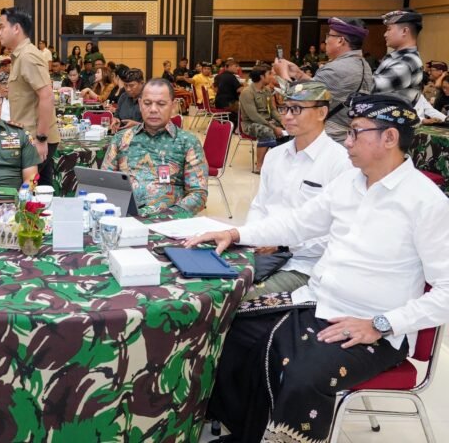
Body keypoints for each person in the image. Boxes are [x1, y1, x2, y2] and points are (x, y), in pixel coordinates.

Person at [183, 94, 449, 443]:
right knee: (229, 328)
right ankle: (245, 429)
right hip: (314, 302)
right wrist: (235, 233)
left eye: (355, 132)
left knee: (301, 376)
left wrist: (382, 324)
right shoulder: (349, 183)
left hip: (372, 326)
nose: (347, 142)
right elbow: (297, 224)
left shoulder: (426, 203)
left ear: (389, 138)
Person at [244, 81, 352, 299]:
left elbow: (339, 232)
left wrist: (283, 244)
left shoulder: (340, 163)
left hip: (303, 264)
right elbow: (260, 205)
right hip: (260, 253)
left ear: (321, 113)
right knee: (212, 284)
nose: (287, 116)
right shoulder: (275, 155)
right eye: (284, 108)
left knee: (240, 299)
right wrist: (253, 236)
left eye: (296, 109)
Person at [101, 79, 207, 216]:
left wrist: (167, 216)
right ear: (140, 104)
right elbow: (104, 182)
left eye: (161, 104)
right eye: (147, 103)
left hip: (168, 220)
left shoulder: (187, 142)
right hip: (125, 217)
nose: (153, 109)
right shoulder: (121, 138)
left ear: (173, 106)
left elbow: (198, 194)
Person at [275, 17, 374, 144]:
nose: (326, 41)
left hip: (327, 139)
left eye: (329, 36)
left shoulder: (336, 68)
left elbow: (297, 100)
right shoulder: (363, 65)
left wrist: (282, 73)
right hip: (346, 137)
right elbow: (323, 89)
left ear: (340, 40)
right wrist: (299, 75)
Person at [0, 7, 60, 187]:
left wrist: (41, 139)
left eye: (2, 27)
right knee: (41, 190)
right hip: (29, 136)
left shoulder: (28, 56)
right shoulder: (19, 56)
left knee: (24, 189)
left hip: (34, 138)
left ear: (16, 28)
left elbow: (46, 96)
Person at [373, 9, 424, 105]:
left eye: (389, 29)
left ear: (404, 31)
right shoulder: (399, 57)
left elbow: (371, 87)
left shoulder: (407, 62)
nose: (385, 34)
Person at [239, 64, 284, 173]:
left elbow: (272, 110)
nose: (272, 76)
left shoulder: (266, 91)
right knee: (267, 131)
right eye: (269, 74)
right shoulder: (247, 92)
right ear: (261, 76)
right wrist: (273, 127)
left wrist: (283, 121)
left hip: (267, 122)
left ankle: (278, 163)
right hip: (250, 124)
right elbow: (254, 116)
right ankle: (259, 166)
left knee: (290, 130)